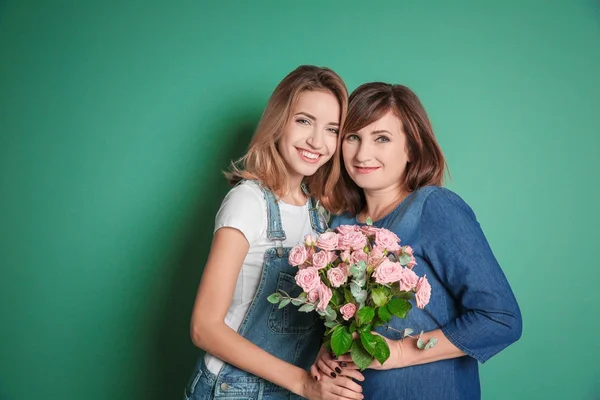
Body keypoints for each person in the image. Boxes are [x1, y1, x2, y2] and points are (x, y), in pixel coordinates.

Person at [312, 82, 522, 399]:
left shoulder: (433, 208)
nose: (362, 153)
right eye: (352, 137)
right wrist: (325, 353)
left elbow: (501, 319)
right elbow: (338, 323)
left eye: (381, 138)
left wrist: (400, 352)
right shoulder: (339, 224)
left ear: (411, 148)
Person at [184, 65, 365, 400]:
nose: (316, 140)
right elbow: (204, 327)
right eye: (303, 121)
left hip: (290, 390)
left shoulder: (319, 214)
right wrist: (301, 382)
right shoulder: (248, 201)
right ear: (279, 122)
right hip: (233, 390)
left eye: (331, 129)